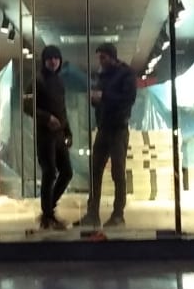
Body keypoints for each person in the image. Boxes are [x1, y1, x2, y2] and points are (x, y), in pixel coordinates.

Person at [78, 42, 137, 236]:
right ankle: (92, 213)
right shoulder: (102, 75)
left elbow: (128, 99)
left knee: (118, 172)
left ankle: (118, 214)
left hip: (118, 129)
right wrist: (94, 100)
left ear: (112, 57)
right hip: (103, 128)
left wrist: (103, 96)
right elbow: (101, 100)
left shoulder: (126, 74)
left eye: (103, 57)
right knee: (95, 171)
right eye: (99, 58)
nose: (100, 61)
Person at [34, 44, 73, 230]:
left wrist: (68, 131)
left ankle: (48, 211)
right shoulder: (37, 80)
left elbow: (62, 109)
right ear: (44, 61)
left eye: (56, 58)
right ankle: (48, 216)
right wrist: (47, 118)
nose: (53, 61)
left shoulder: (59, 82)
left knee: (67, 172)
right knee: (49, 173)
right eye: (50, 58)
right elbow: (28, 105)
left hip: (59, 136)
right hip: (45, 136)